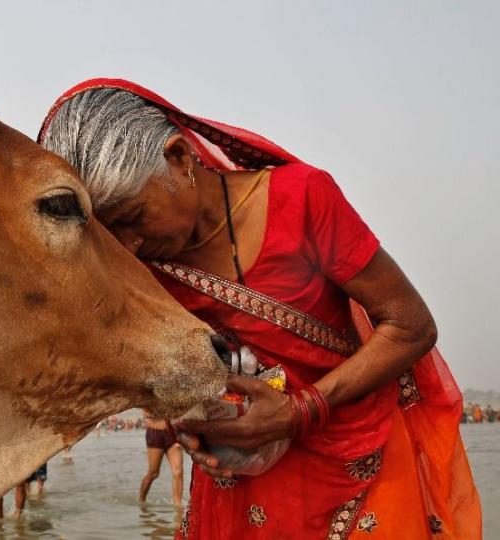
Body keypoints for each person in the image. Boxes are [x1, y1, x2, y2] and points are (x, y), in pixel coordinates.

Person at [39, 79, 481, 538]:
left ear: (179, 158)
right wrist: (190, 424)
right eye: (114, 236)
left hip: (356, 458)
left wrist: (297, 412)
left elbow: (410, 326)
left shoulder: (303, 199)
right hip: (242, 485)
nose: (130, 246)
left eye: (134, 218)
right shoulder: (142, 269)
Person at [140, 409, 185, 507]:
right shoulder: (150, 395)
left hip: (173, 434)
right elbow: (147, 414)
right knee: (153, 473)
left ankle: (178, 506)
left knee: (178, 472)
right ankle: (141, 500)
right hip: (155, 433)